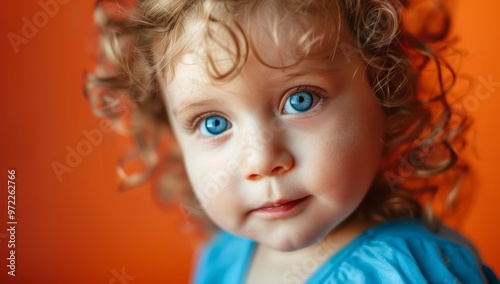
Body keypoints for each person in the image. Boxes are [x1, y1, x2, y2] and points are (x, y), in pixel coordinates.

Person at [85, 0, 499, 282]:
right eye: (213, 123)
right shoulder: (222, 259)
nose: (261, 160)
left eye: (300, 100)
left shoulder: (407, 272)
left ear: (384, 93)